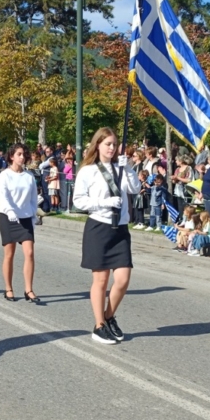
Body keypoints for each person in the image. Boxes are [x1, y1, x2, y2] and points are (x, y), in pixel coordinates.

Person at [72, 127, 141, 344]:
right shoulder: (88, 171)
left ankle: (109, 317)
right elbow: (78, 201)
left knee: (122, 279)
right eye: (107, 144)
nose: (111, 148)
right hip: (99, 227)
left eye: (114, 144)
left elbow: (135, 189)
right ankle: (99, 325)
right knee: (100, 280)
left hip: (120, 229)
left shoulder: (121, 168)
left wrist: (128, 168)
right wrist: (105, 202)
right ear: (98, 145)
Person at [0, 143, 41, 303]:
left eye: (24, 154)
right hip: (8, 217)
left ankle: (28, 289)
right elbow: (3, 196)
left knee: (29, 253)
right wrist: (10, 211)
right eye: (19, 154)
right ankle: (8, 288)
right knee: (10, 254)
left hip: (25, 217)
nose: (22, 157)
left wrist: (34, 215)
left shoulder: (29, 176)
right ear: (11, 156)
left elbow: (33, 198)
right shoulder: (4, 175)